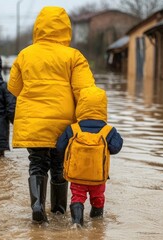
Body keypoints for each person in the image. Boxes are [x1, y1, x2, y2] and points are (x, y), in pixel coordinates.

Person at [8, 6, 96, 223]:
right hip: (63, 123)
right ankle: (58, 210)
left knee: (37, 163)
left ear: (38, 27)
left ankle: (37, 206)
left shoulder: (25, 55)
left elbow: (14, 88)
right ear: (66, 29)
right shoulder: (74, 56)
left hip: (33, 121)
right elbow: (85, 92)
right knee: (60, 166)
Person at [56, 86, 123, 226]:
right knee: (98, 197)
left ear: (80, 105)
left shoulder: (73, 128)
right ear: (104, 106)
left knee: (77, 197)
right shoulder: (108, 130)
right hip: (98, 177)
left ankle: (76, 223)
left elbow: (60, 147)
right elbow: (116, 148)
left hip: (77, 175)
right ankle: (97, 226)